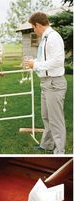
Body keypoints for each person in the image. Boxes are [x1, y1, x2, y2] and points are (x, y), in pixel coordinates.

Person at [25, 11, 67, 154]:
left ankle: (59, 151)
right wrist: (34, 62)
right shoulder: (45, 38)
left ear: (37, 25)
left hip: (54, 83)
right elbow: (46, 60)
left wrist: (36, 65)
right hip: (46, 83)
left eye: (33, 27)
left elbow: (57, 61)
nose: (33, 30)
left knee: (56, 119)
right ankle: (47, 144)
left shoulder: (54, 38)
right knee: (46, 116)